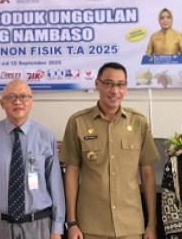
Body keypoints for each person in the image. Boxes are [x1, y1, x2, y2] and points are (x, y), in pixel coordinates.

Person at [63, 62, 160, 239]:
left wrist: (151, 224)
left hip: (130, 225)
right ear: (97, 84)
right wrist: (72, 223)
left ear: (126, 87)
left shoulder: (139, 122)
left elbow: (147, 174)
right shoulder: (78, 122)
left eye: (120, 84)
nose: (115, 91)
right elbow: (71, 173)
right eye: (108, 84)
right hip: (90, 226)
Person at [0, 80, 65, 239]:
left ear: (31, 101)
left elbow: (55, 186)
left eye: (23, 96)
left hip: (37, 225)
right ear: (2, 103)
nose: (17, 102)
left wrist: (57, 229)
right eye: (11, 97)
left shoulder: (45, 137)